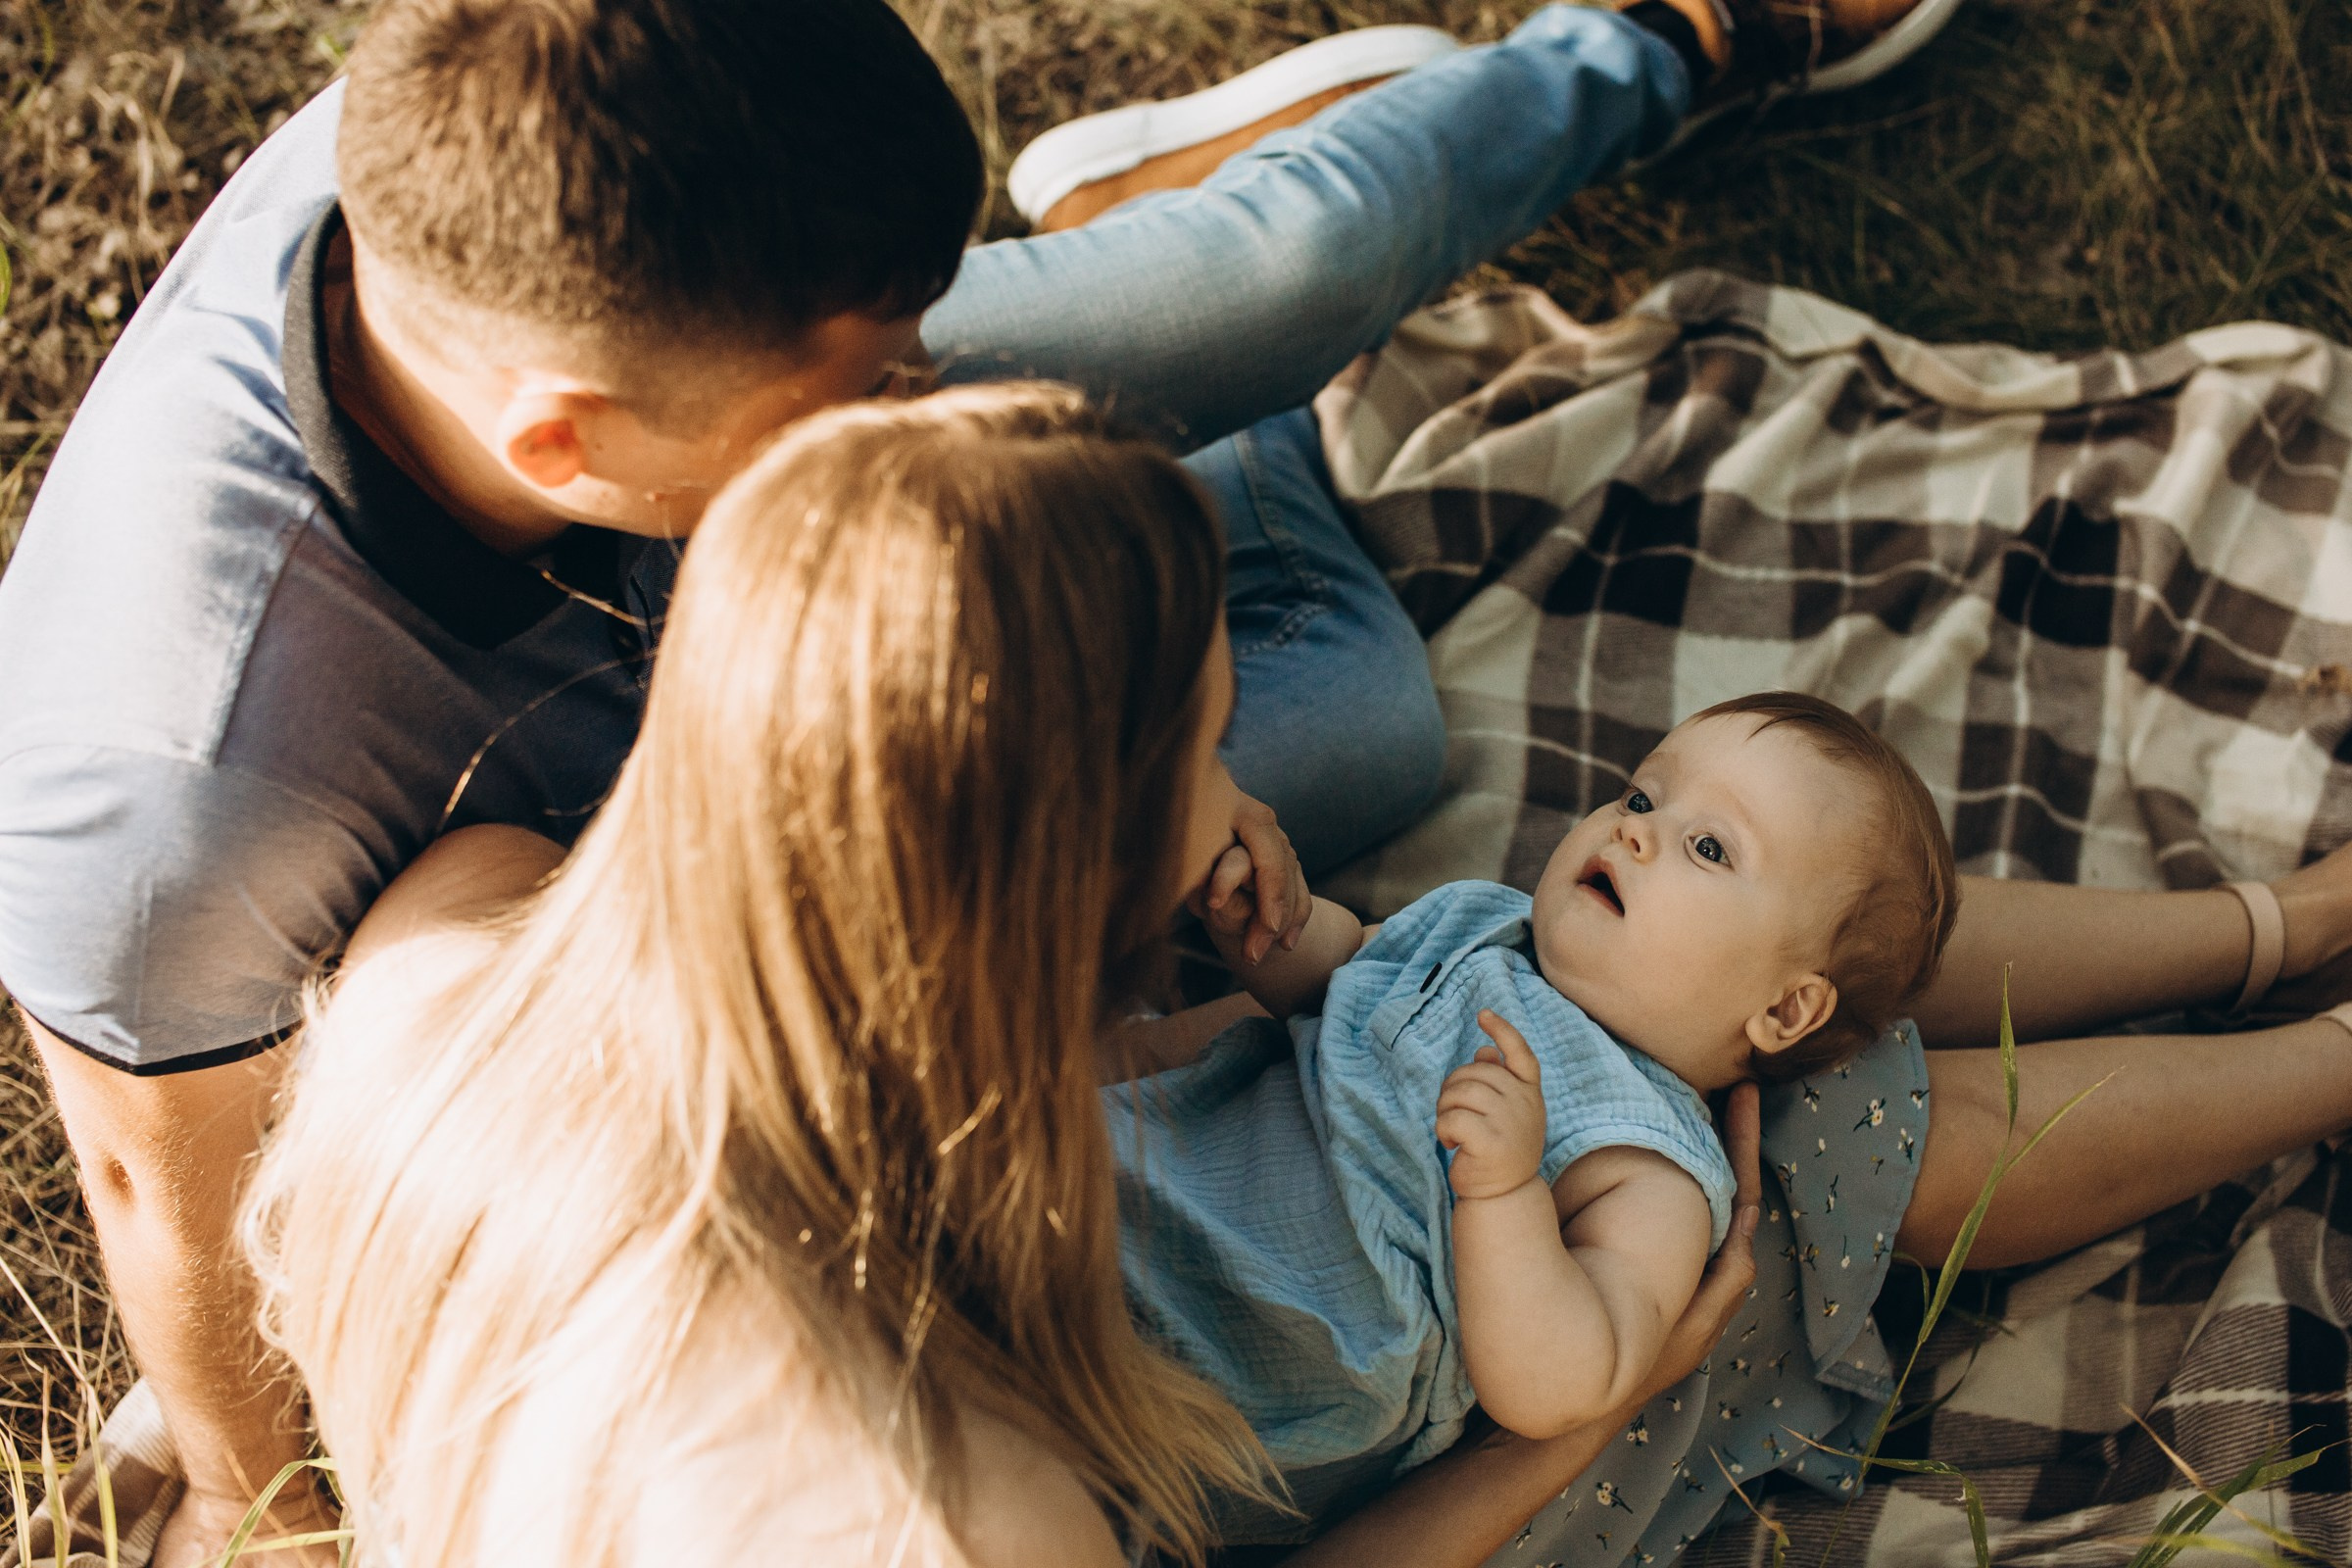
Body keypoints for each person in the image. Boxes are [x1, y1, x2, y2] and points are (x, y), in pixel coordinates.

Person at [0, 0, 1958, 1556]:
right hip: (837, 664)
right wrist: (269, 1512)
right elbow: (144, 1183)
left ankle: (1674, 34)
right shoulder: (175, 808)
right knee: (1371, 725)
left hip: (794, 669)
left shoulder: (480, 143)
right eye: (882, 383)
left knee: (1285, 405)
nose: (937, 390)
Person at [249, 386, 2352, 1568]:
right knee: (1860, 1124)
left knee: (1808, 911)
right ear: (1025, 890)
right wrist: (1569, 1425)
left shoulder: (461, 952)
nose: (1238, 781)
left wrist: (1258, 974)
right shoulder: (938, 1516)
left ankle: (2291, 939)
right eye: (1200, 745)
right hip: (1421, 1409)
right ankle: (2328, 1040)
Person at [1111, 692, 1956, 1540]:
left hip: (1237, 1363)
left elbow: (1560, 1386)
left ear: (1783, 1013)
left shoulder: (1653, 1166)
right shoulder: (1482, 923)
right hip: (1132, 1184)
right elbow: (1342, 983)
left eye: (1708, 847)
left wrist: (1507, 1197)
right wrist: (1266, 919)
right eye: (1640, 796)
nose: (1634, 829)